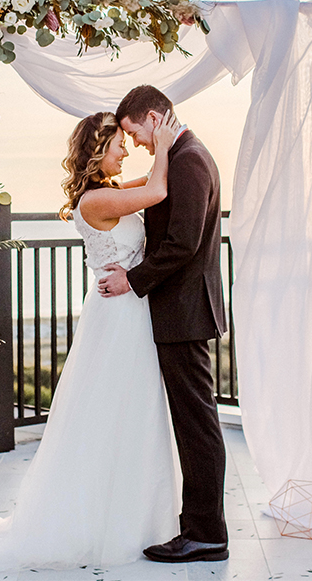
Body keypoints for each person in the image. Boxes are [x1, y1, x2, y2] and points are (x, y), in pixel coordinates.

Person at [0, 109, 182, 568]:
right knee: (114, 412)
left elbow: (145, 182)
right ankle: (109, 521)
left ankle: (140, 515)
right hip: (119, 320)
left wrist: (161, 148)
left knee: (136, 413)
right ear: (98, 150)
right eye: (118, 146)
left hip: (129, 309)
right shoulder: (93, 201)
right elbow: (157, 190)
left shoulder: (108, 192)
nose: (125, 151)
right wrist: (166, 144)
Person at [99, 84, 230, 563]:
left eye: (135, 134)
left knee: (197, 427)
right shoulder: (181, 155)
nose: (136, 146)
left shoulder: (191, 159)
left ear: (154, 117)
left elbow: (183, 244)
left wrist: (132, 281)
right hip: (181, 310)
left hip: (185, 312)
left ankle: (206, 533)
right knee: (194, 424)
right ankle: (199, 527)